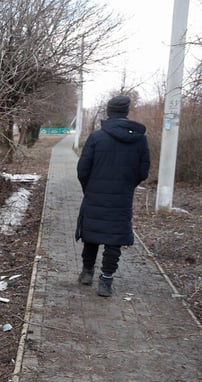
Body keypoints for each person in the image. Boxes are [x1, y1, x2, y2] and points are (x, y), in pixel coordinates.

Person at [75, 95, 151, 297]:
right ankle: (106, 281)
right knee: (114, 240)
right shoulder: (139, 139)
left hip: (95, 194)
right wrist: (127, 186)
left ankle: (87, 273)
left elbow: (82, 169)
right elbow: (143, 171)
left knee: (91, 235)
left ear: (109, 112)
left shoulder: (96, 137)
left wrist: (89, 188)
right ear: (126, 111)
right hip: (122, 197)